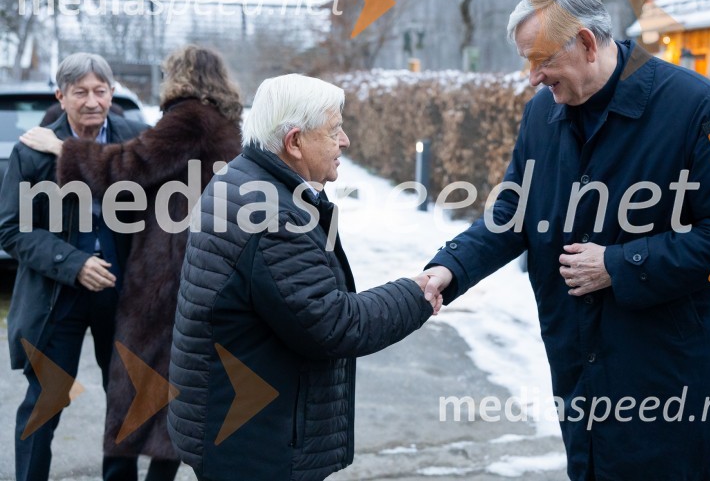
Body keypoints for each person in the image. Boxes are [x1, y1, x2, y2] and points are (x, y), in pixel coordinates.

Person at [422, 0, 710, 481]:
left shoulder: (697, 107)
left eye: (541, 61)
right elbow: (512, 212)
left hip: (675, 377)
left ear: (586, 42)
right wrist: (449, 268)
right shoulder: (544, 113)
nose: (533, 77)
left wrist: (620, 264)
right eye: (527, 62)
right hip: (584, 366)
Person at [167, 73, 441, 481]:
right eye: (334, 131)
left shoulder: (245, 179)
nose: (345, 141)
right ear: (294, 142)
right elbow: (333, 325)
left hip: (235, 427)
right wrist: (414, 295)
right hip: (256, 443)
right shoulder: (274, 215)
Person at [18, 45, 244, 481]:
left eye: (100, 90)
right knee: (168, 380)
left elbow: (127, 166)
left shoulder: (188, 119)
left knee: (144, 382)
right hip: (197, 266)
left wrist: (64, 149)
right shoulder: (222, 122)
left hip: (168, 272)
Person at [0, 53, 146, 481]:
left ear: (112, 93)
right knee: (45, 399)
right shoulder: (31, 151)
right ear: (61, 96)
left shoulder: (135, 140)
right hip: (57, 293)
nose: (91, 101)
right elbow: (11, 229)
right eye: (80, 92)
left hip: (122, 294)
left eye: (100, 91)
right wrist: (74, 262)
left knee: (125, 398)